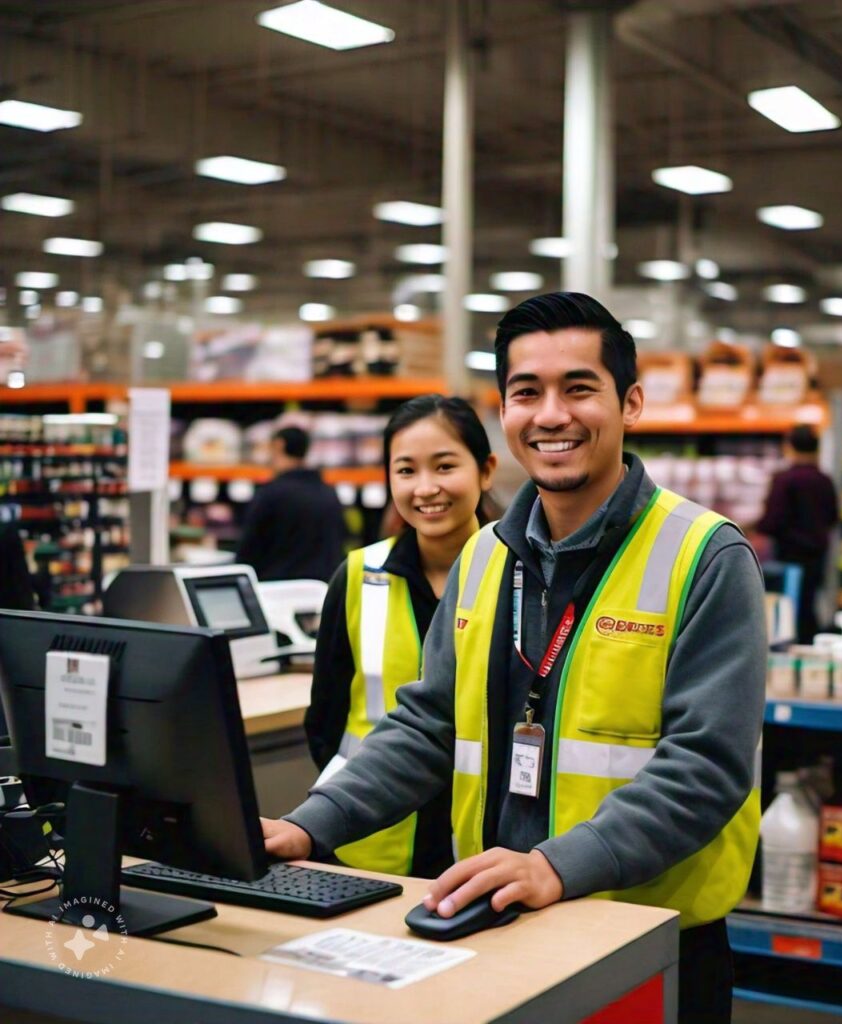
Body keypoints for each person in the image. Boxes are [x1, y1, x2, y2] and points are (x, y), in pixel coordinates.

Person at [263, 292, 765, 1023]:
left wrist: (556, 866)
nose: (551, 414)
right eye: (527, 392)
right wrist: (311, 824)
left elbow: (708, 764)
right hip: (502, 921)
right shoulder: (486, 557)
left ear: (631, 404)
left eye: (579, 388)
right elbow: (427, 726)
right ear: (505, 411)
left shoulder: (705, 556)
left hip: (648, 938)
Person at [304, 395, 497, 877]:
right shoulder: (356, 577)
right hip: (369, 839)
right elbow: (325, 718)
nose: (425, 488)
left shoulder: (520, 577)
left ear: (486, 470)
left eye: (445, 466)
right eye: (406, 471)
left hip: (482, 844)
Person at [757, 424, 838, 643]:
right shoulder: (825, 480)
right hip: (817, 557)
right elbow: (833, 518)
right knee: (808, 607)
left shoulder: (784, 480)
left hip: (788, 558)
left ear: (789, 446)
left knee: (786, 613)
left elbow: (771, 522)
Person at [234, 426, 347, 582]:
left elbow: (248, 551)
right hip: (321, 590)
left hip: (276, 592)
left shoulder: (270, 494)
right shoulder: (329, 493)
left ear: (279, 445)